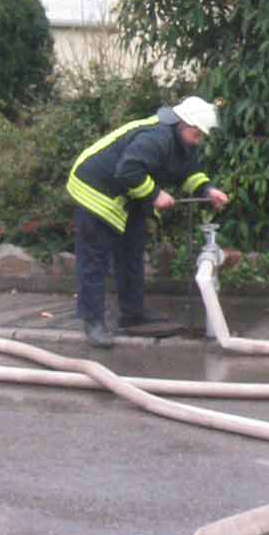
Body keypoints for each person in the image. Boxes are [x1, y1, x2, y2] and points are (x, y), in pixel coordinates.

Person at [67, 96, 229, 348]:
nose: (198, 141)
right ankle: (93, 323)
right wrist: (155, 194)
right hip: (94, 188)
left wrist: (208, 190)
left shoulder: (181, 142)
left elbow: (188, 172)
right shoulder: (156, 138)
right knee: (94, 259)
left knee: (131, 251)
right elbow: (128, 170)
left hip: (126, 193)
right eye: (197, 135)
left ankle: (132, 314)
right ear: (183, 124)